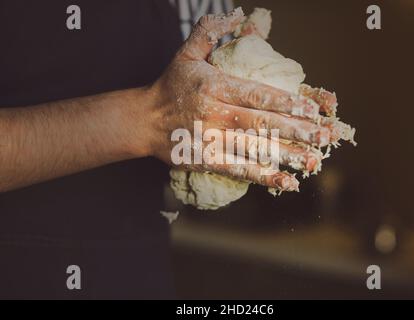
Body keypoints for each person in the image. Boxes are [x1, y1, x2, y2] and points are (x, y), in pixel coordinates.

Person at [0, 1, 330, 299]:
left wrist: (243, 93)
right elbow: (172, 110)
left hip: (137, 272)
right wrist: (150, 118)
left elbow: (202, 93)